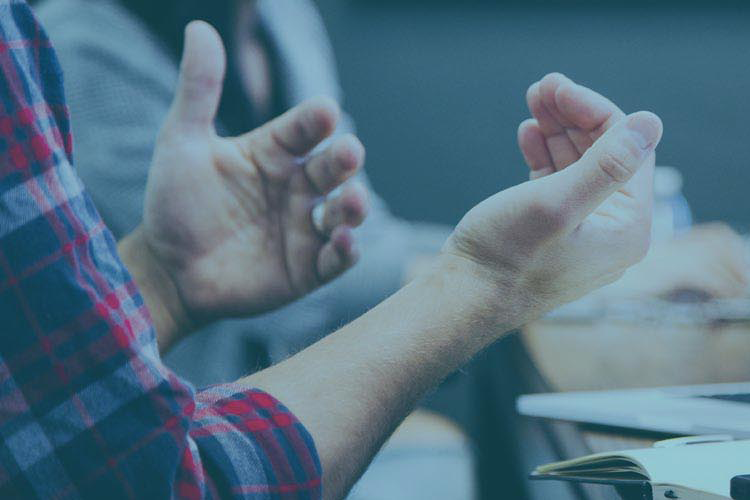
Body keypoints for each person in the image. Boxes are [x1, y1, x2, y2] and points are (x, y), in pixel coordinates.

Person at [0, 2, 664, 499]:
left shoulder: (285, 18)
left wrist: (164, 279)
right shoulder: (70, 39)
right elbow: (158, 480)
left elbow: (359, 235)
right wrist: (490, 276)